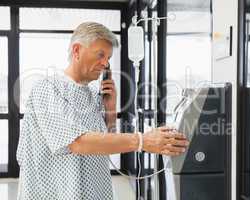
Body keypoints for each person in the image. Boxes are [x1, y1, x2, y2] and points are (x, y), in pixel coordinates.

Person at [16, 22, 189, 200]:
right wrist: (142, 141)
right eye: (100, 55)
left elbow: (104, 140)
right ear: (77, 51)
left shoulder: (91, 93)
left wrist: (110, 110)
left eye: (108, 57)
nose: (105, 63)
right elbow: (78, 143)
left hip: (93, 190)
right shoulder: (47, 89)